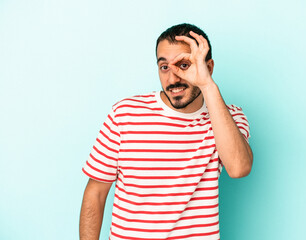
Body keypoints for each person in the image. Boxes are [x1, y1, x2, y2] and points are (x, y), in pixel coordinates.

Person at [79, 23, 253, 240]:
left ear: (207, 67)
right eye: (164, 67)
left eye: (184, 65)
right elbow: (95, 193)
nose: (173, 79)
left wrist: (208, 86)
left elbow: (239, 168)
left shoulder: (228, 117)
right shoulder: (124, 115)